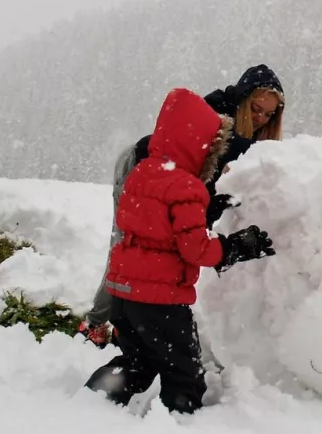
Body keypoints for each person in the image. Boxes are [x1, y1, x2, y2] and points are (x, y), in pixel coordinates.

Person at [84, 88, 275, 414]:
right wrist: (234, 248)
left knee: (138, 361)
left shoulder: (141, 173)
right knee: (184, 371)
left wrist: (206, 206)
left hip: (124, 295)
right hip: (161, 303)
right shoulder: (187, 187)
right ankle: (180, 430)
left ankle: (93, 401)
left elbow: (157, 226)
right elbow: (194, 249)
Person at [77, 64, 285, 345]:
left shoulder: (247, 136)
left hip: (163, 178)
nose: (261, 117)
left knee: (148, 250)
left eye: (269, 113)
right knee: (130, 245)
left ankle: (129, 318)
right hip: (139, 169)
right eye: (257, 108)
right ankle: (97, 322)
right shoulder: (219, 117)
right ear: (244, 97)